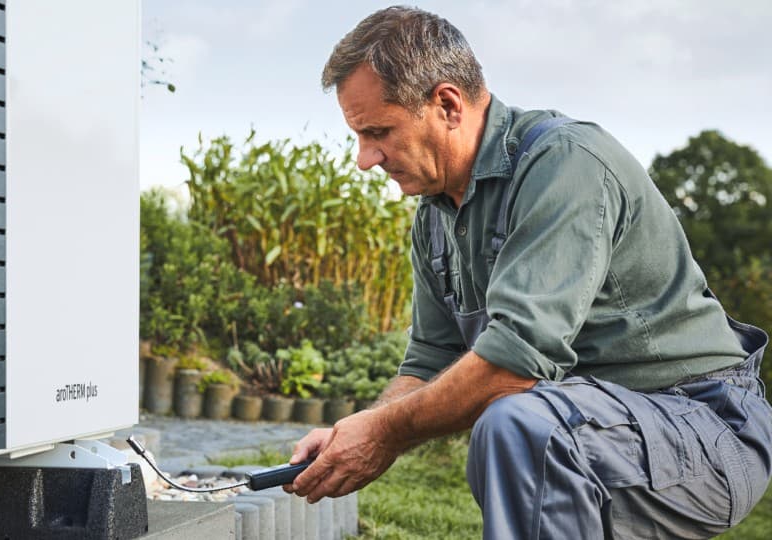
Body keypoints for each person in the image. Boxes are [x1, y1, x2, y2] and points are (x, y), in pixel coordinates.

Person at [284, 6, 772, 538]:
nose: (364, 158)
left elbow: (513, 365)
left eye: (378, 131)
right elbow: (430, 360)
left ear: (447, 104)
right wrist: (352, 433)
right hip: (593, 426)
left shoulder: (565, 164)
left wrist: (385, 432)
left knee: (518, 426)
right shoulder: (434, 218)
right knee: (522, 427)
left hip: (704, 427)